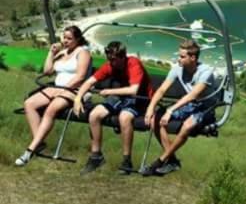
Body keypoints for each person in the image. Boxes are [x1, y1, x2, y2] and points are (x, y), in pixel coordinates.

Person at [73, 41, 154, 174]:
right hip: (120, 97)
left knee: (124, 117)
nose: (111, 62)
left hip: (140, 99)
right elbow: (90, 81)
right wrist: (78, 98)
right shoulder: (110, 65)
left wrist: (109, 92)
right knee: (94, 115)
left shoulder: (133, 64)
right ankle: (96, 156)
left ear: (123, 57)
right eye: (109, 59)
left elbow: (134, 90)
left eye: (114, 59)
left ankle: (127, 160)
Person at [15, 26, 92, 166]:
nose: (66, 41)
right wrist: (51, 53)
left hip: (75, 90)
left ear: (78, 39)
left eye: (69, 38)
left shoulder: (83, 52)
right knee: (29, 104)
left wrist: (63, 89)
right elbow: (47, 71)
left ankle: (29, 151)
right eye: (64, 37)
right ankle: (39, 142)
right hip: (56, 87)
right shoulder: (63, 53)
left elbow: (80, 76)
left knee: (51, 109)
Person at [141, 40, 220, 176]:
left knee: (187, 125)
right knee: (156, 118)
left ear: (193, 58)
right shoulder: (177, 68)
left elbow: (193, 94)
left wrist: (170, 110)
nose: (179, 59)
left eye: (182, 56)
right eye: (179, 55)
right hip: (190, 105)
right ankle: (172, 161)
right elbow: (161, 90)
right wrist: (150, 108)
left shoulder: (206, 72)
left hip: (205, 107)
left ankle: (160, 161)